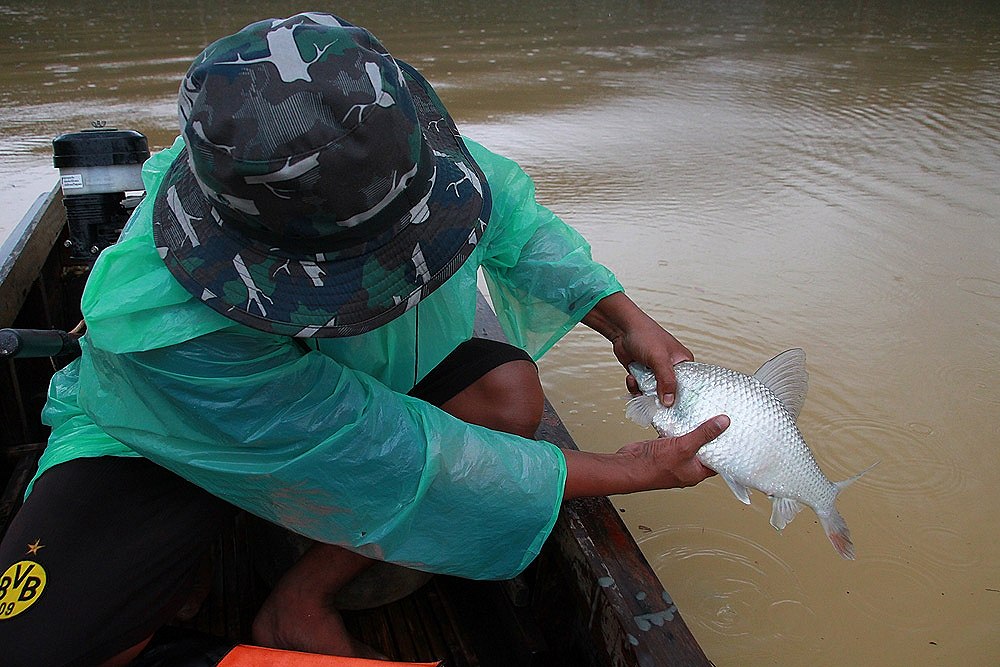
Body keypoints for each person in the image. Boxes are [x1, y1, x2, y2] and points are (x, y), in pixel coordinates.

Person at [0, 12, 728, 666]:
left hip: (342, 397)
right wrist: (632, 467)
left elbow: (514, 221)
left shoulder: (377, 146)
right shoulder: (173, 333)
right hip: (157, 441)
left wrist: (627, 319)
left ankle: (298, 599)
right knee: (40, 646)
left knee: (506, 395)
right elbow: (400, 450)